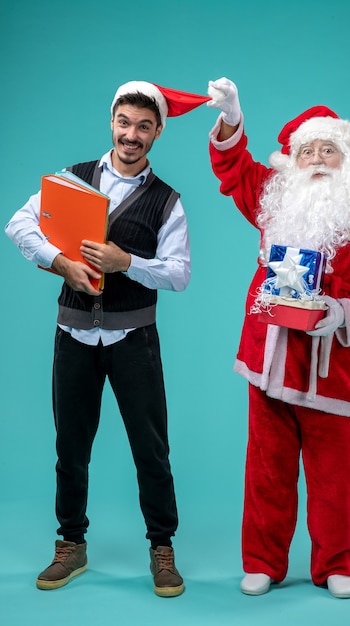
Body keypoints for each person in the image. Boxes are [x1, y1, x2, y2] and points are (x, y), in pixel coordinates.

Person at [5, 80, 209, 597]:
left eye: (144, 126)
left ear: (158, 132)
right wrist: (58, 262)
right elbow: (19, 224)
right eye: (125, 123)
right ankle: (71, 544)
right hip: (72, 333)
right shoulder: (70, 180)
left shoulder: (168, 202)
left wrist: (128, 263)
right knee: (70, 446)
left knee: (151, 448)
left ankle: (162, 548)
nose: (132, 134)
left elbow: (180, 274)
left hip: (134, 339)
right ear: (111, 123)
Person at [207, 77, 350, 599]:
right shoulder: (275, 201)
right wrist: (231, 117)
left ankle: (337, 564)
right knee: (266, 474)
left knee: (335, 479)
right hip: (269, 361)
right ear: (293, 160)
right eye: (308, 150)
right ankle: (263, 562)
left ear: (347, 159)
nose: (318, 158)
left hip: (333, 372)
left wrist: (342, 311)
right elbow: (232, 170)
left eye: (329, 150)